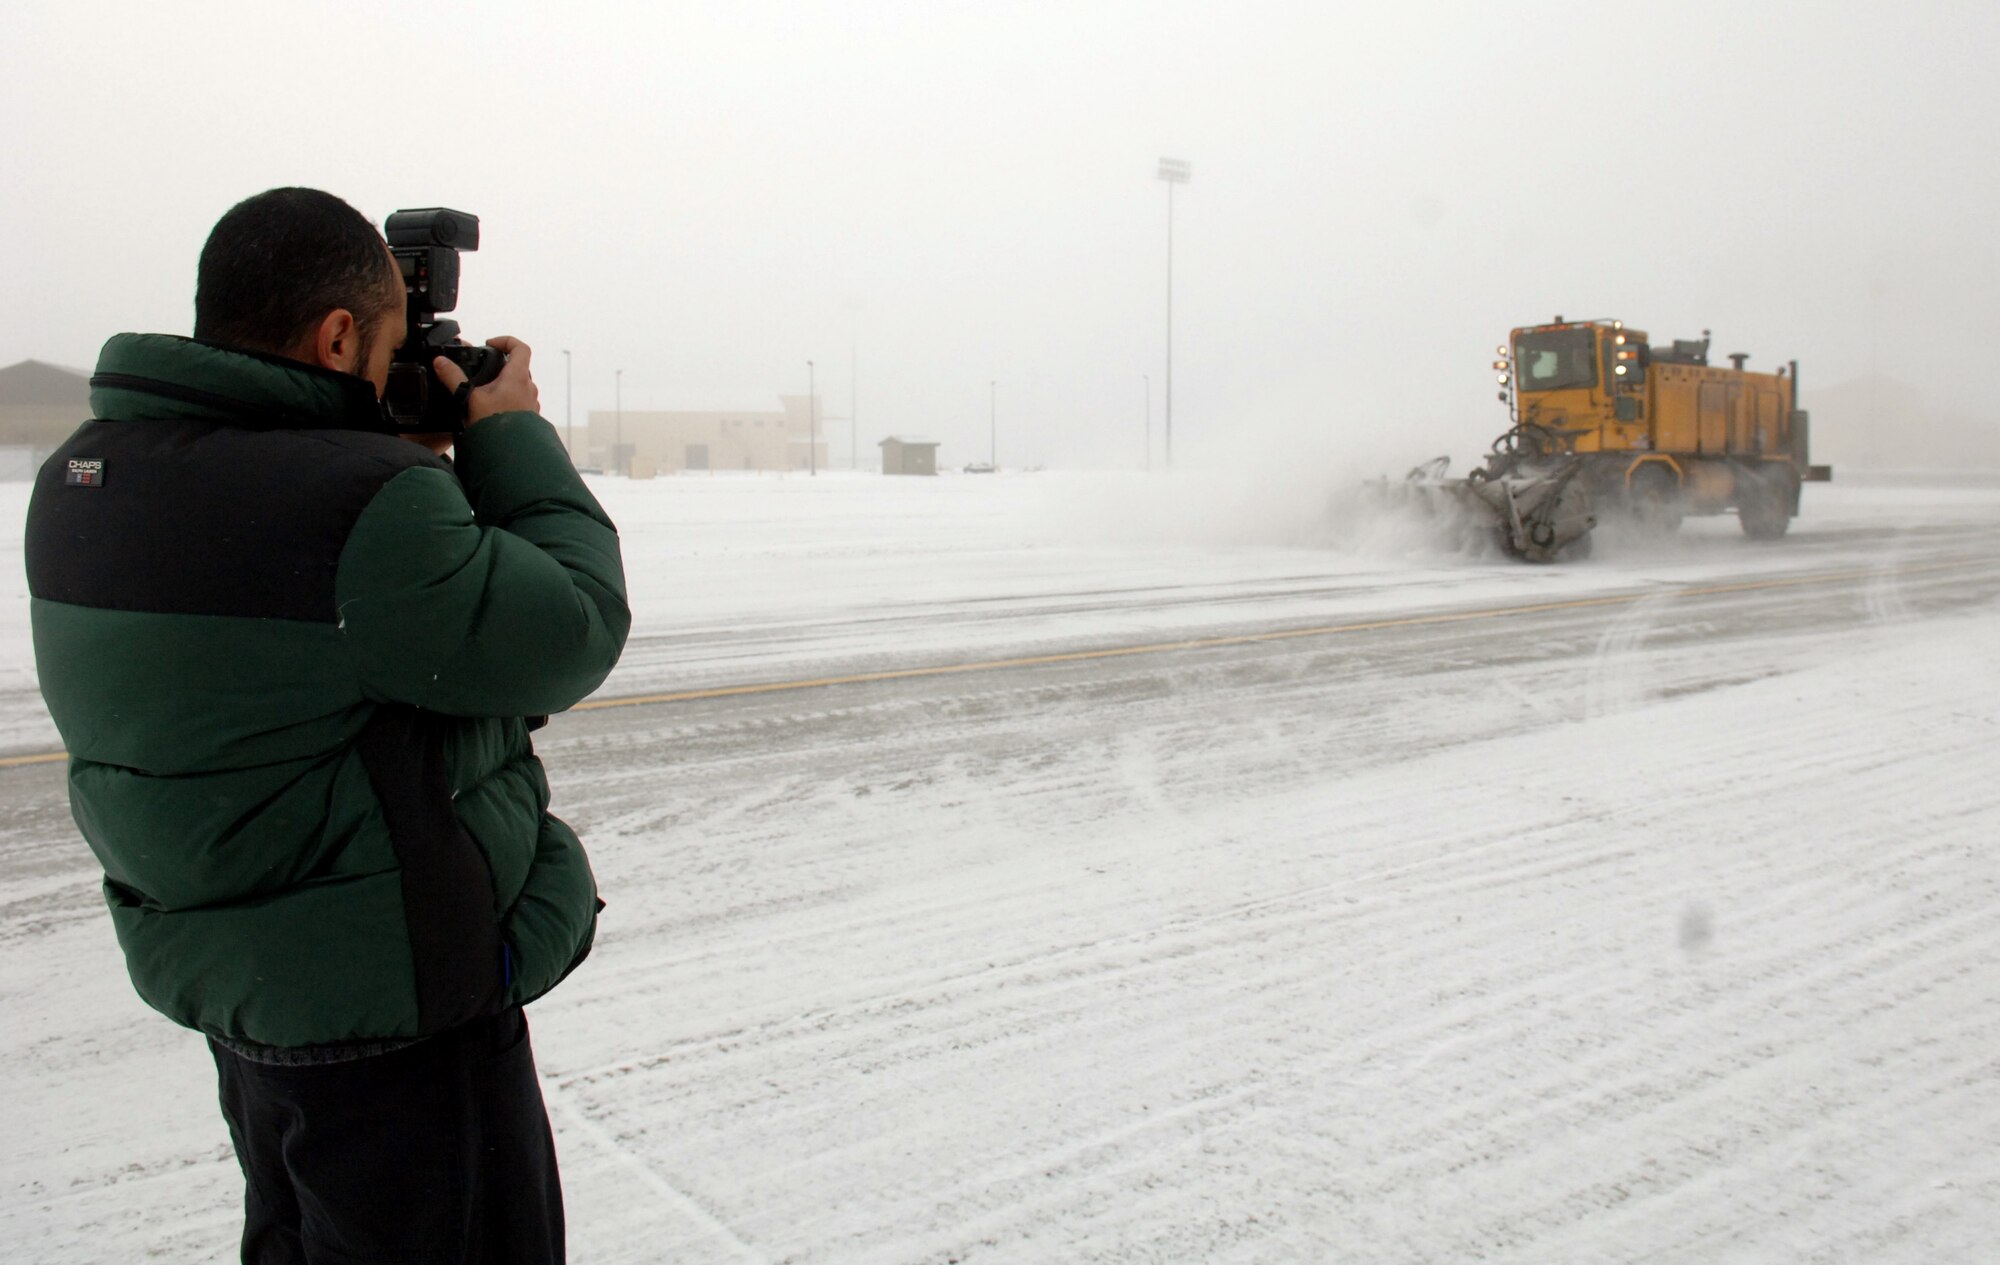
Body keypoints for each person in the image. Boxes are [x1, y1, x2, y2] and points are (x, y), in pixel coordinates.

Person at [25, 187, 629, 1263]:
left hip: (251, 1000)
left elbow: (321, 640)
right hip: (394, 1019)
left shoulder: (81, 478)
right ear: (340, 333)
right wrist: (512, 436)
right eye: (390, 346)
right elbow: (569, 630)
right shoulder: (365, 507)